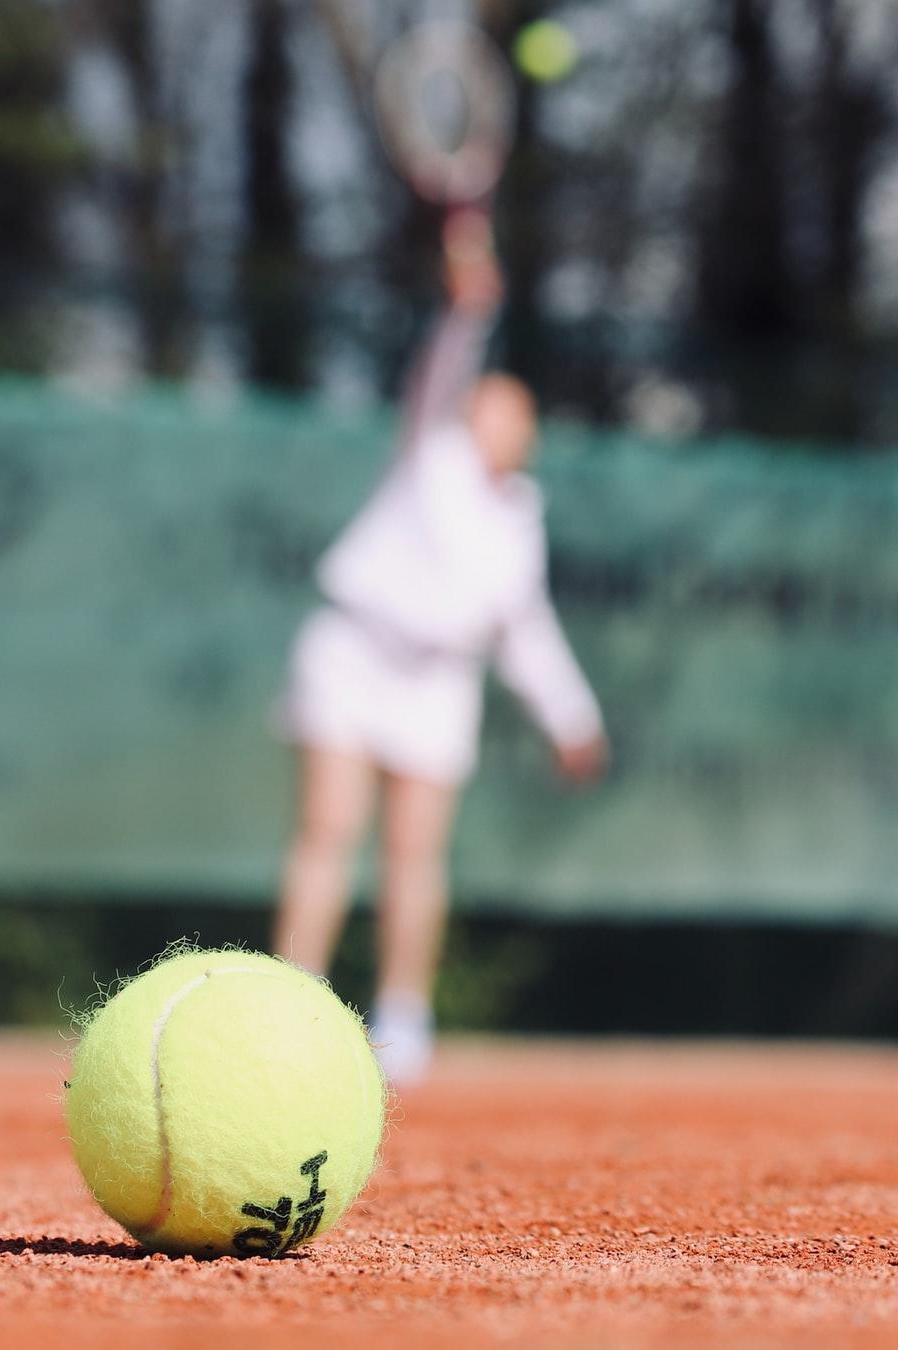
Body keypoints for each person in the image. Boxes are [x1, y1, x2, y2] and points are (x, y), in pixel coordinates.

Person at [271, 208, 608, 1086]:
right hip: (353, 650)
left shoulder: (519, 518)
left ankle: (403, 1022)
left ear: (526, 433)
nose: (489, 415)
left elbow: (524, 628)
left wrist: (571, 718)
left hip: (437, 684)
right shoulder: (431, 449)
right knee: (328, 830)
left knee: (416, 855)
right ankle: (289, 1005)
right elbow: (444, 363)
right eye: (481, 405)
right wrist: (467, 307)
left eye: (509, 411)